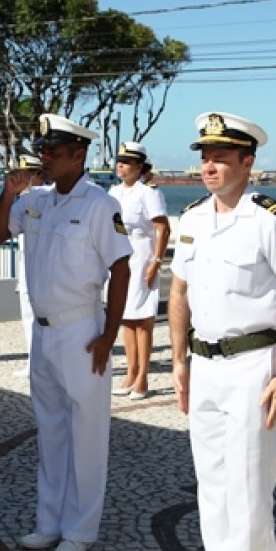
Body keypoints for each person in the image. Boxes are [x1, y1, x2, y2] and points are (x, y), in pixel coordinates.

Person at [168, 111, 276, 551]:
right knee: (211, 477)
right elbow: (179, 291)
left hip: (254, 362)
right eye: (205, 158)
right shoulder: (192, 218)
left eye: (221, 158)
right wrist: (179, 361)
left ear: (248, 163)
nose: (209, 167)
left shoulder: (272, 220)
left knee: (249, 479)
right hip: (204, 363)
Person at [0, 113, 131, 551]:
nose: (43, 158)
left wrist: (108, 336)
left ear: (78, 155)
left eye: (52, 151)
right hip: (43, 331)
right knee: (50, 432)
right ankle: (49, 522)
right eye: (42, 150)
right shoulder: (36, 201)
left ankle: (81, 529)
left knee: (87, 434)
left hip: (81, 328)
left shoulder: (100, 205)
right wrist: (9, 194)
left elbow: (121, 269)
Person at [109, 142, 170, 400]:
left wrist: (156, 261)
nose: (120, 166)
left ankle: (142, 377)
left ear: (138, 166)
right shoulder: (114, 192)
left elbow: (163, 228)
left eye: (126, 162)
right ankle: (130, 372)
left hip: (142, 252)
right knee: (125, 317)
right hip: (121, 253)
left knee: (142, 319)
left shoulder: (148, 193)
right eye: (119, 161)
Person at [11, 154, 47, 378]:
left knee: (41, 317)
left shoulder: (45, 198)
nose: (24, 179)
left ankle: (41, 361)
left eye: (28, 174)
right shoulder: (23, 200)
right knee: (27, 316)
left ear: (39, 176)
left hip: (42, 268)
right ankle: (33, 359)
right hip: (26, 265)